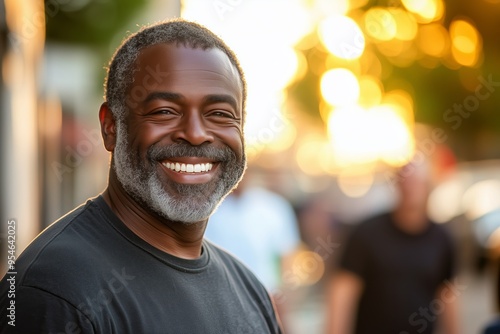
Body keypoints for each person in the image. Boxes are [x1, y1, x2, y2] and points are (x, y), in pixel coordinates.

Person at [0, 19, 283, 333]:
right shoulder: (55, 294)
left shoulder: (250, 292)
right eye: (164, 111)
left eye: (219, 114)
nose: (195, 134)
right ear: (110, 127)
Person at [325, 155, 460, 334]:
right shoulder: (367, 233)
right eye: (405, 182)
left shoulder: (442, 238)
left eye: (416, 182)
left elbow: (447, 296)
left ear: (427, 185)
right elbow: (342, 293)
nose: (410, 189)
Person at [205, 169, 301, 294]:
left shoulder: (274, 206)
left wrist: (284, 294)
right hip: (218, 293)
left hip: (265, 295)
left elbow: (288, 255)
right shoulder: (206, 208)